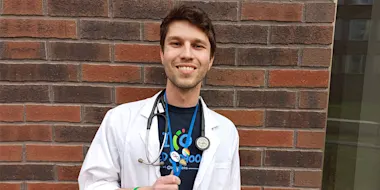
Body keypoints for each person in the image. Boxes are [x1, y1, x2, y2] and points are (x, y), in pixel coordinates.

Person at [78, 5, 240, 190]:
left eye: (197, 46)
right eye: (176, 43)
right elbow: (92, 184)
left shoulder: (226, 132)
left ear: (210, 59)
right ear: (162, 54)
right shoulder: (120, 120)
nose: (187, 54)